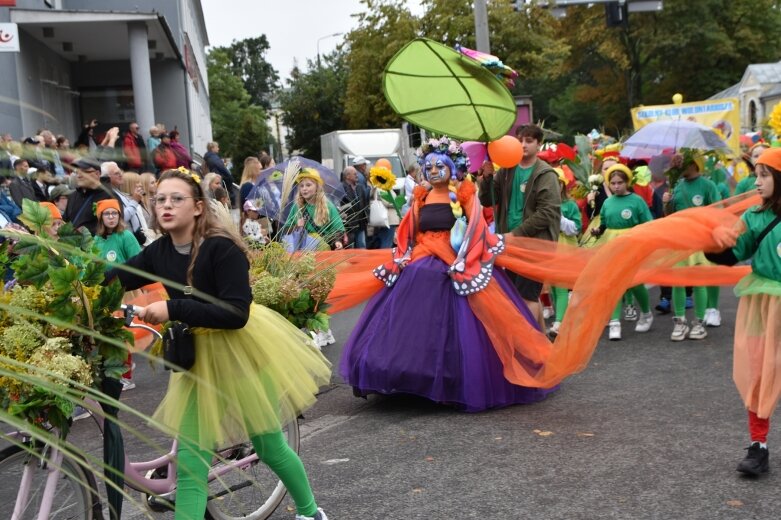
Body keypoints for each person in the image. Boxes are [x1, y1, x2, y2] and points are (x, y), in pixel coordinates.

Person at [107, 168, 330, 520]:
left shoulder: (221, 248)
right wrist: (78, 290)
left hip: (241, 352)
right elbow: (116, 277)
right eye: (160, 199)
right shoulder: (158, 252)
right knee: (191, 463)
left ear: (197, 207)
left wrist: (171, 308)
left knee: (270, 447)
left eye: (176, 199)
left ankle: (310, 511)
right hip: (196, 359)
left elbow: (236, 313)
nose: (166, 205)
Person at [339, 145, 555, 411]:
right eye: (428, 167)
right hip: (420, 260)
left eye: (438, 166)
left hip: (456, 260)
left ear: (452, 169)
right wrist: (406, 252)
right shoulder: (420, 196)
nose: (432, 171)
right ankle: (410, 376)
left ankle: (454, 379)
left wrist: (463, 256)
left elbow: (476, 227)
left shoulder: (463, 194)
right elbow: (410, 230)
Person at [707, 147, 781, 476]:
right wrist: (715, 245)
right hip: (762, 303)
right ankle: (758, 446)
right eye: (757, 174)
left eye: (765, 175)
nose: (757, 181)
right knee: (759, 374)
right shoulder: (753, 217)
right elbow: (734, 255)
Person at [478, 124, 561, 328]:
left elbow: (548, 212)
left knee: (527, 297)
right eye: (520, 140)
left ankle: (529, 347)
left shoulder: (546, 174)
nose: (523, 145)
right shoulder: (507, 170)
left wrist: (517, 233)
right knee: (523, 295)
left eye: (529, 141)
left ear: (539, 144)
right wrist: (487, 177)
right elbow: (488, 200)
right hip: (509, 244)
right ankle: (541, 343)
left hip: (534, 246)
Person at [590, 164, 654, 340]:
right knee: (613, 282)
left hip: (631, 244)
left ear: (627, 182)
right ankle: (615, 322)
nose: (616, 186)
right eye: (613, 183)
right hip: (611, 244)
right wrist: (598, 231)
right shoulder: (607, 202)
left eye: (620, 182)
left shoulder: (637, 201)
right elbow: (603, 223)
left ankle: (646, 313)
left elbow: (647, 223)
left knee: (634, 283)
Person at [662, 152, 722, 341]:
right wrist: (666, 203)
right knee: (678, 280)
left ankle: (699, 322)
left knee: (699, 281)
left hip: (700, 240)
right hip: (680, 240)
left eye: (683, 164)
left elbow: (718, 212)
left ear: (694, 164)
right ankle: (680, 321)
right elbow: (669, 215)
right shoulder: (676, 187)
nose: (679, 168)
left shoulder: (708, 185)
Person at [549, 168, 581, 338]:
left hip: (564, 247)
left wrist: (559, 218)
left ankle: (559, 322)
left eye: (557, 183)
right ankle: (562, 318)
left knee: (561, 287)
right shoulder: (541, 204)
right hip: (548, 248)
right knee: (553, 287)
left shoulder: (570, 205)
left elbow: (575, 228)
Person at [283, 168, 345, 251]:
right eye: (301, 186)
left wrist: (337, 242)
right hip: (303, 252)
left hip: (323, 251)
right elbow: (286, 231)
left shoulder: (328, 206)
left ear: (317, 187)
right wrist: (297, 227)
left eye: (308, 185)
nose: (304, 188)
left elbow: (338, 228)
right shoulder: (296, 207)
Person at [64, 157, 118, 235]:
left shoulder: (109, 196)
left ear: (97, 174)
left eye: (84, 172)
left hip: (97, 245)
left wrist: (87, 231)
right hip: (72, 245)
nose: (79, 175)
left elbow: (115, 225)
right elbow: (66, 220)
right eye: (77, 172)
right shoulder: (73, 196)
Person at [339, 166, 369, 248]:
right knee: (350, 249)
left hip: (361, 224)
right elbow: (339, 206)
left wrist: (366, 218)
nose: (357, 176)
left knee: (362, 247)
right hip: (349, 225)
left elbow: (365, 203)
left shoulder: (360, 187)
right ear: (347, 176)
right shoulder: (341, 188)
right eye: (355, 174)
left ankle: (363, 261)